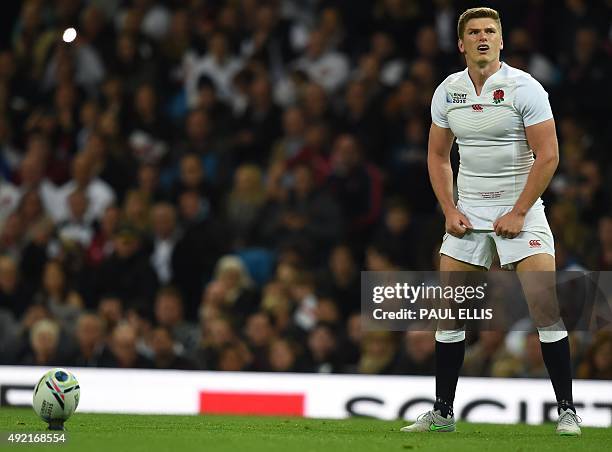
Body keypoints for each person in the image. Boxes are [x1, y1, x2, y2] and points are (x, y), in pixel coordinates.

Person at [401, 7, 580, 436]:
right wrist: (449, 208)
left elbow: (549, 155)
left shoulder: (525, 87)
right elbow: (438, 155)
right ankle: (443, 412)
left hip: (521, 207)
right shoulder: (448, 91)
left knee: (544, 308)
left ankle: (567, 411)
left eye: (490, 32)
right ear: (461, 43)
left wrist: (519, 211)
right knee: (449, 314)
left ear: (502, 41)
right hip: (469, 212)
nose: (483, 37)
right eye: (475, 32)